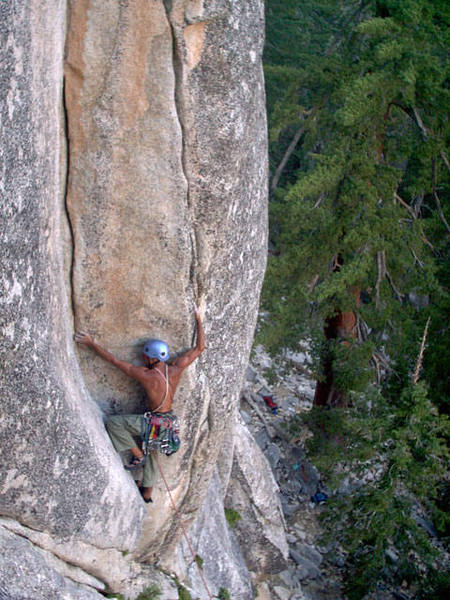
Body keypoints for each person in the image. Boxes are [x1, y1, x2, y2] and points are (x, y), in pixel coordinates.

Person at [74, 306, 206, 503]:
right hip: (169, 424)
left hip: (154, 423)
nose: (144, 359)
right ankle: (147, 492)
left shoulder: (146, 375)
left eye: (146, 356)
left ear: (153, 358)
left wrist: (90, 343)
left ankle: (136, 455)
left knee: (114, 424)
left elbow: (113, 360)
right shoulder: (176, 368)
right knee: (153, 452)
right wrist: (198, 318)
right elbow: (199, 348)